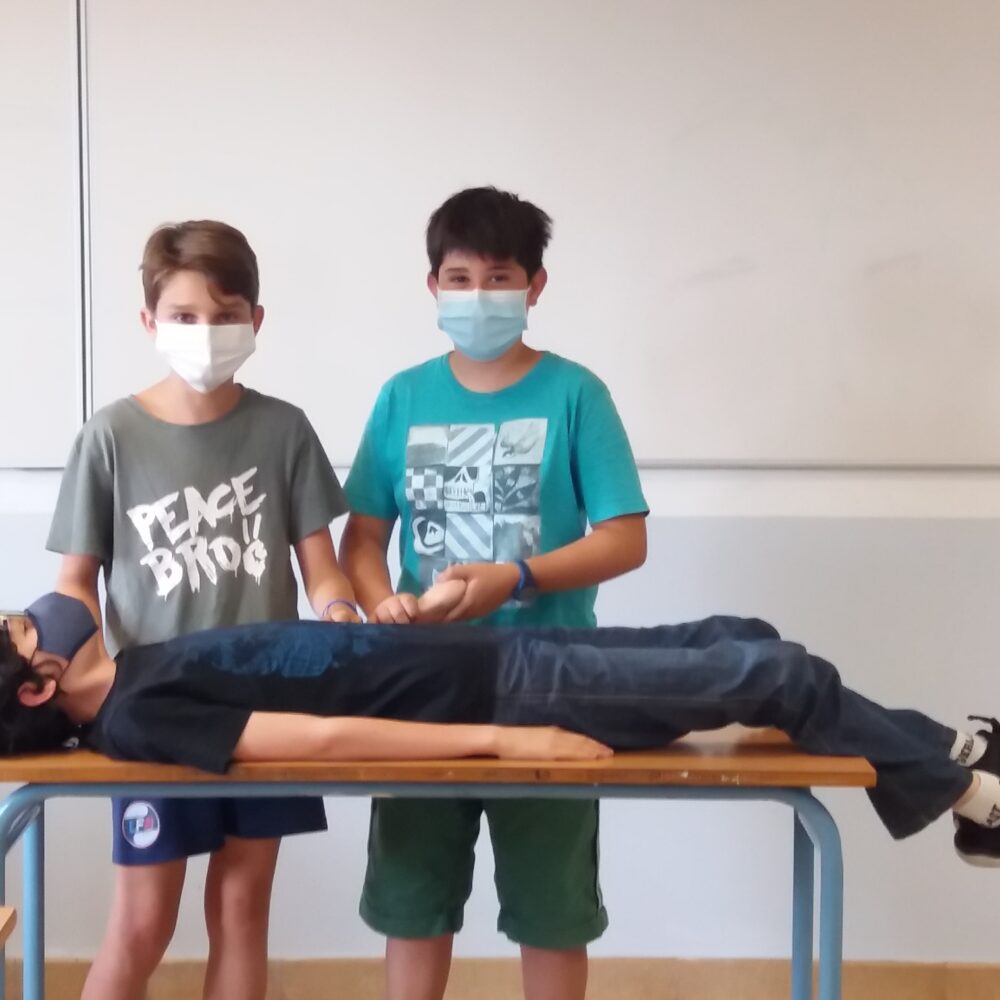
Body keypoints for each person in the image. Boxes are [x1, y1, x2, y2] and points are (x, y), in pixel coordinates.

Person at [1, 586, 999, 873]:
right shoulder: (134, 715)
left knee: (746, 636)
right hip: (510, 698)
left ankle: (952, 762)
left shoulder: (133, 669)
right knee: (776, 674)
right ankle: (975, 795)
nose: (33, 611)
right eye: (18, 629)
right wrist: (509, 743)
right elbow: (315, 742)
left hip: (493, 657)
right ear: (39, 686)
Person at [342, 185, 648, 1000]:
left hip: (548, 684)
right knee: (413, 899)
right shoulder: (402, 397)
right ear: (433, 286)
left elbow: (625, 538)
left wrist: (517, 578)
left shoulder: (576, 394)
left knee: (552, 908)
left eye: (500, 277)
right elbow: (362, 540)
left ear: (535, 286)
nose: (479, 295)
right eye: (460, 278)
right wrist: (381, 603)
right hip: (423, 685)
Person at [45, 221, 358, 1000]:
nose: (206, 332)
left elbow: (320, 566)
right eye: (184, 315)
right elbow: (75, 581)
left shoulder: (284, 429)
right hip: (156, 708)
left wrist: (339, 612)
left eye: (225, 315)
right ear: (149, 321)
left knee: (243, 909)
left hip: (268, 701)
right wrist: (90, 673)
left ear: (256, 320)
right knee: (143, 920)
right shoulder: (109, 436)